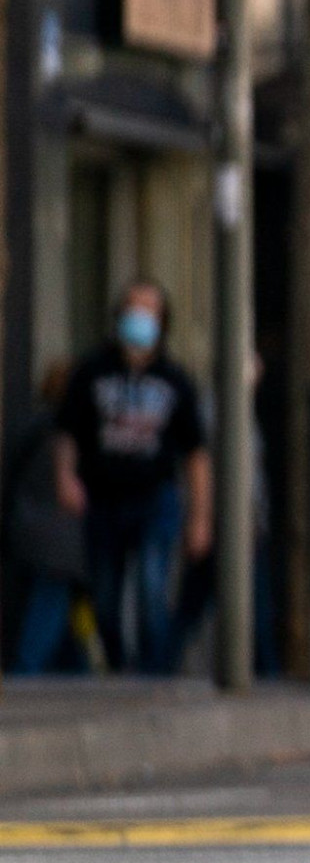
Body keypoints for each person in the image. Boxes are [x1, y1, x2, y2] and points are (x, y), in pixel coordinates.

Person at [52, 281, 212, 677]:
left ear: (162, 321)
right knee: (104, 592)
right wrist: (65, 477)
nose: (138, 318)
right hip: (102, 497)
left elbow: (196, 455)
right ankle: (119, 662)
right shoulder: (92, 371)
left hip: (155, 497)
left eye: (147, 310)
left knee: (151, 590)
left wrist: (200, 518)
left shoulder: (175, 380)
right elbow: (68, 432)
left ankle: (153, 671)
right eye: (131, 308)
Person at [9, 362, 89, 673]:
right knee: (49, 608)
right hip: (58, 538)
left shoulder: (28, 426)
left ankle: (77, 670)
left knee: (62, 613)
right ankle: (27, 671)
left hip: (31, 530)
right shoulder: (62, 432)